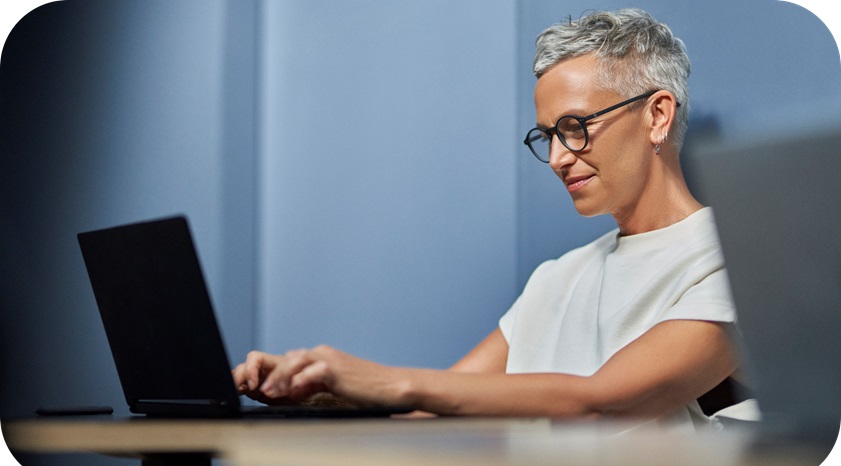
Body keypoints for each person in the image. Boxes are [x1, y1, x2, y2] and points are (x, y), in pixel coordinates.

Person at [233, 8, 753, 430]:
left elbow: (604, 403)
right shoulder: (557, 278)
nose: (556, 158)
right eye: (546, 135)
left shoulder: (737, 257)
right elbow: (435, 407)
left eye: (574, 127)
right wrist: (317, 389)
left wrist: (387, 380)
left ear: (657, 115)